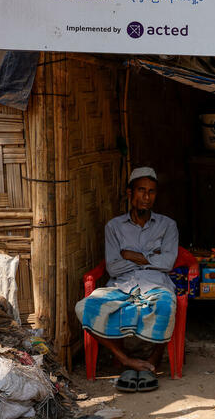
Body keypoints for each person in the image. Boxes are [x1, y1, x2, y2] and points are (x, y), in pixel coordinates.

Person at [74, 167, 178, 393]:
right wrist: (152, 258)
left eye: (151, 192)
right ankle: (126, 361)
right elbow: (113, 266)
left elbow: (168, 263)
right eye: (141, 190)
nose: (146, 197)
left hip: (156, 283)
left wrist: (131, 255)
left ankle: (152, 361)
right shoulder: (114, 227)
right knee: (85, 307)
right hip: (121, 285)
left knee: (166, 305)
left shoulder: (168, 225)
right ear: (130, 193)